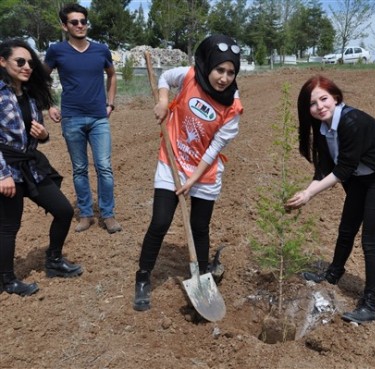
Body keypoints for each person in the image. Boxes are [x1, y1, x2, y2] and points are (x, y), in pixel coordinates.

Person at [285, 75, 375, 324]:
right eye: (313, 104)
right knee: (346, 229)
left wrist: (309, 194)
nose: (320, 107)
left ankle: (371, 304)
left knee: (370, 241)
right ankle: (332, 275)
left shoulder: (351, 121)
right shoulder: (324, 130)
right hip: (360, 177)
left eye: (324, 99)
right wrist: (305, 191)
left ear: (335, 97)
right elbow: (325, 171)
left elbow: (342, 171)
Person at [133, 35, 243, 311]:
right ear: (208, 65)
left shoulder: (233, 106)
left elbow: (214, 148)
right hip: (172, 160)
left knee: (199, 227)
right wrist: (162, 101)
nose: (224, 78)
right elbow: (165, 77)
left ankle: (203, 275)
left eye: (231, 72)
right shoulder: (190, 76)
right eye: (220, 70)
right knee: (160, 222)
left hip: (204, 172)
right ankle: (143, 277)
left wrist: (191, 180)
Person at [0, 39, 83, 296]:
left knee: (63, 210)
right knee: (8, 227)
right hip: (7, 169)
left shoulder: (29, 95)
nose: (27, 67)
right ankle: (7, 280)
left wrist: (44, 135)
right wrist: (2, 175)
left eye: (30, 63)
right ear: (2, 62)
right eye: (20, 62)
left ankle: (54, 261)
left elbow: (32, 135)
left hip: (30, 166)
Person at [44, 3, 122, 233]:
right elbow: (42, 78)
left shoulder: (101, 50)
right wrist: (49, 105)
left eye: (83, 21)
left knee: (104, 167)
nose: (80, 25)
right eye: (74, 22)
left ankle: (108, 214)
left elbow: (112, 75)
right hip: (71, 118)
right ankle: (86, 214)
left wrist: (110, 103)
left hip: (99, 117)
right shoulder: (56, 51)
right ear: (64, 25)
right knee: (79, 169)